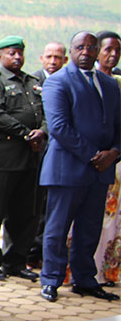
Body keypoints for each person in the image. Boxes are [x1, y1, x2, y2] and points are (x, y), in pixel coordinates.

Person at [39, 31, 120, 303]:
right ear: (71, 51)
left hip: (100, 171)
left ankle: (85, 280)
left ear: (97, 51)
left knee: (90, 228)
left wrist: (114, 153)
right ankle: (51, 280)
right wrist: (94, 155)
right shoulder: (58, 81)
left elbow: (118, 125)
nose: (86, 51)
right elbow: (59, 128)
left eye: (91, 47)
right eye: (80, 47)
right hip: (67, 169)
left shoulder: (109, 84)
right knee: (57, 229)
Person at [0, 36, 45, 283]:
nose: (17, 57)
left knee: (25, 212)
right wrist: (26, 134)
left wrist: (42, 132)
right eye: (11, 53)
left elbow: (46, 112)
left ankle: (15, 261)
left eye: (20, 53)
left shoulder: (33, 82)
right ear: (0, 56)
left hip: (29, 157)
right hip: (0, 157)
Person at [26, 41, 69, 269]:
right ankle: (29, 253)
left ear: (65, 61)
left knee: (49, 207)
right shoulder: (31, 82)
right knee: (32, 205)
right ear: (42, 58)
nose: (53, 61)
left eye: (58, 57)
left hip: (58, 155)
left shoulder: (67, 82)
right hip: (33, 152)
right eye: (49, 57)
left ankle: (43, 252)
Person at [94, 31, 121, 286]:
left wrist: (115, 152)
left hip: (116, 161)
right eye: (108, 49)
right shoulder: (88, 80)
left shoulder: (118, 83)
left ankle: (106, 272)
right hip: (91, 160)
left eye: (117, 51)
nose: (113, 55)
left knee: (113, 221)